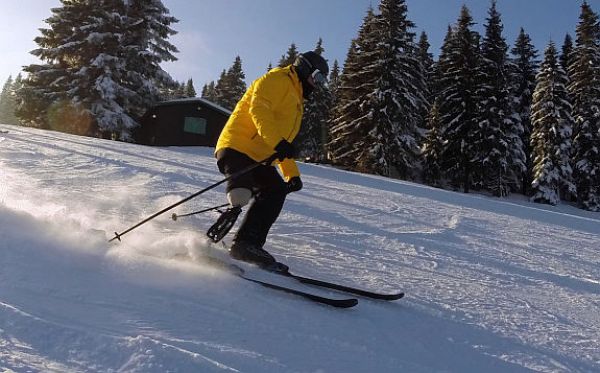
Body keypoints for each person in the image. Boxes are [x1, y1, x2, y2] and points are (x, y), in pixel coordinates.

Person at [211, 51, 329, 269]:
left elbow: (282, 147)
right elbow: (259, 110)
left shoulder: (296, 98)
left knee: (275, 190)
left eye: (323, 80)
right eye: (318, 77)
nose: (319, 84)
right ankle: (216, 239)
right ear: (304, 68)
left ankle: (247, 244)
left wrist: (292, 174)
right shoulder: (277, 79)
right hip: (237, 146)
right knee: (240, 193)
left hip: (260, 157)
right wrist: (277, 142)